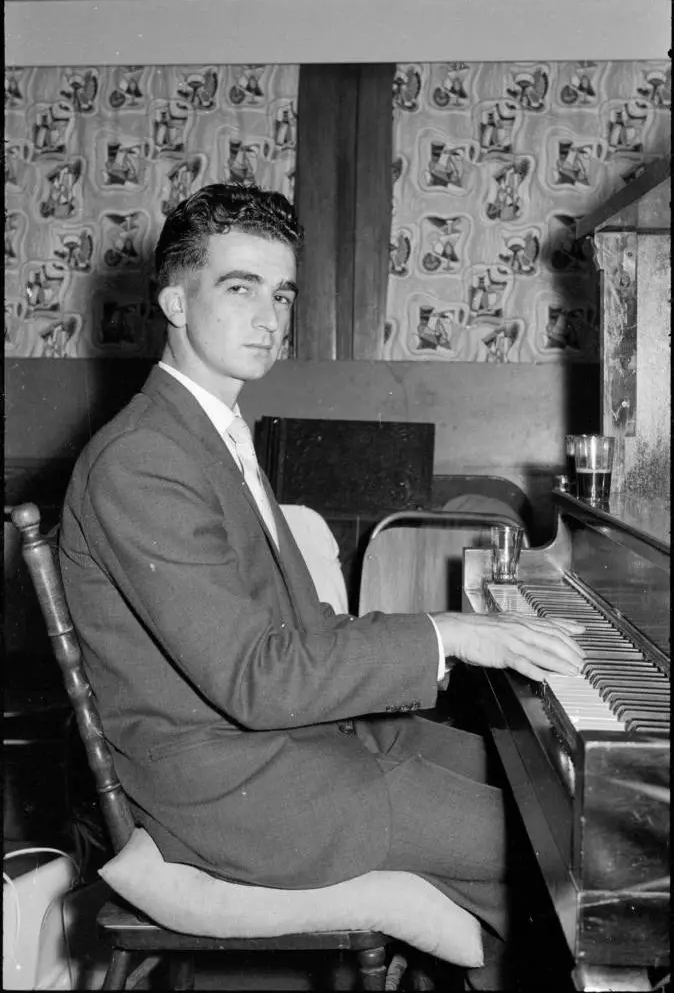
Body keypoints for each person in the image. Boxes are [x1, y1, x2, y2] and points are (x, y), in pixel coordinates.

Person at [59, 184, 584, 990]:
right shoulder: (144, 459)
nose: (270, 316)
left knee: (538, 780)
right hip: (234, 791)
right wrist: (449, 633)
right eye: (239, 288)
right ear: (174, 299)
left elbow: (302, 630)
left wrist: (452, 637)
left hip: (293, 748)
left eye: (283, 293)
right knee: (574, 848)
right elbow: (258, 678)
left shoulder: (210, 432)